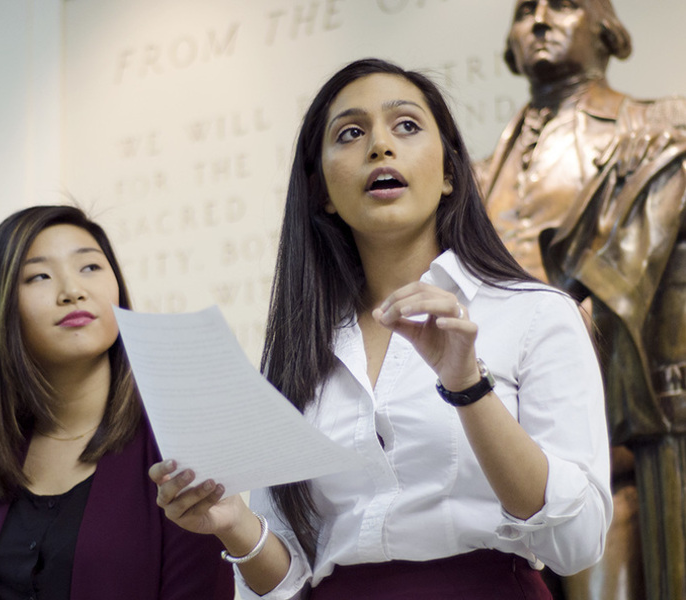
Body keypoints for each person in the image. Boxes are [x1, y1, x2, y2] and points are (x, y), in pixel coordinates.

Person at [148, 58, 612, 599]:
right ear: (322, 190)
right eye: (350, 133)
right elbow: (286, 581)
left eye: (407, 126)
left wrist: (468, 387)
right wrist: (232, 524)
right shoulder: (300, 352)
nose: (380, 146)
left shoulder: (535, 314)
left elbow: (577, 544)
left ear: (449, 174)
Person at [477, 2, 686, 598]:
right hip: (497, 435)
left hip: (609, 434)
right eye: (524, 11)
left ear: (608, 30)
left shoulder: (652, 129)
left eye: (563, 5)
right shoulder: (475, 168)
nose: (539, 21)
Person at [0, 205, 234, 599]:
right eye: (39, 275)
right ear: (1, 309)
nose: (72, 291)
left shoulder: (177, 454)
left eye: (89, 268)